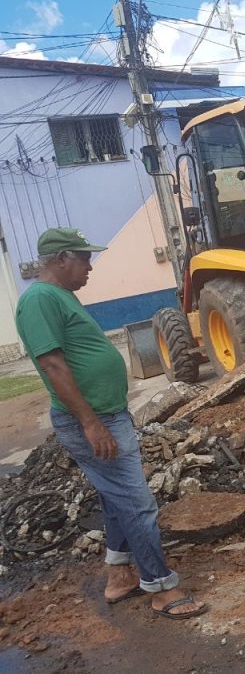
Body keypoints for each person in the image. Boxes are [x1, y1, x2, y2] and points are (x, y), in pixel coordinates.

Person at [15, 228, 208, 620]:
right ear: (60, 258)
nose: (90, 267)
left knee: (117, 499)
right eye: (84, 259)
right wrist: (90, 422)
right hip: (90, 419)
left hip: (104, 414)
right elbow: (52, 364)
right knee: (137, 503)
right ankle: (162, 588)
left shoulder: (59, 296)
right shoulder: (38, 299)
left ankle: (119, 576)